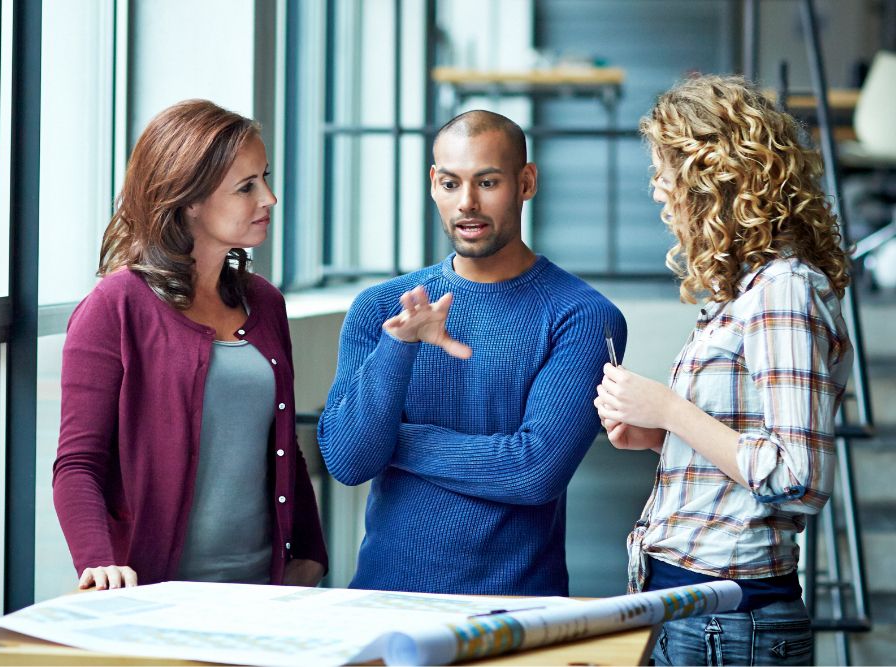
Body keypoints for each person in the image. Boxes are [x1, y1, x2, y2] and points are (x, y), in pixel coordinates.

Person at [594, 75, 852, 666]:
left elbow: (800, 477)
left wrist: (671, 409)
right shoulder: (743, 294)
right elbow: (745, 449)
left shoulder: (785, 290)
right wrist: (659, 436)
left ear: (713, 178)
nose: (657, 189)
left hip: (731, 622)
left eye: (665, 169)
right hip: (689, 609)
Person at [317, 110, 627, 596]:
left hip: (518, 612)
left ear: (525, 182)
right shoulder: (381, 308)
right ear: (432, 184)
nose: (467, 203)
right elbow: (352, 461)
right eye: (450, 183)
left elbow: (534, 471)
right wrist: (398, 347)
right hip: (382, 600)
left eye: (487, 182)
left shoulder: (583, 316)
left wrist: (395, 442)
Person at [53, 100, 328, 590]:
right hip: (154, 594)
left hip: (265, 590)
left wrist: (309, 552)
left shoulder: (264, 302)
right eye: (247, 187)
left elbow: (284, 447)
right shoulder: (114, 306)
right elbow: (79, 463)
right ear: (188, 200)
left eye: (264, 177)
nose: (269, 197)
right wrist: (96, 562)